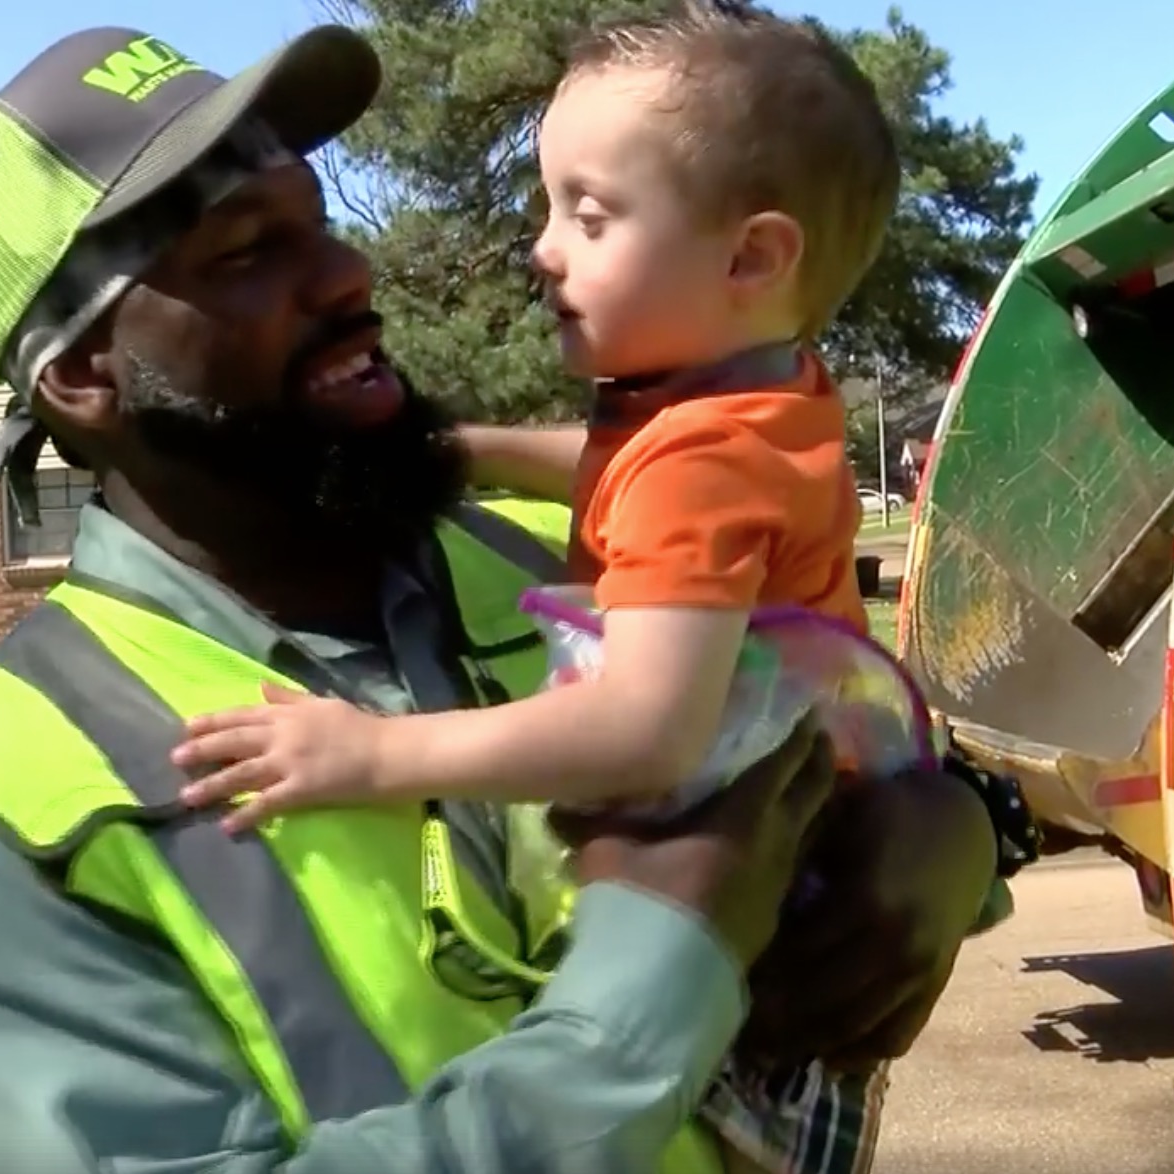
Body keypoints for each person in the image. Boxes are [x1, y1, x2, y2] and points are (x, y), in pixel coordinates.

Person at [0, 20, 1032, 1174]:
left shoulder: (564, 554)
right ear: (83, 375)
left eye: (318, 219)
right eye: (243, 250)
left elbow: (824, 686)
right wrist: (650, 980)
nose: (344, 271)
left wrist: (954, 833)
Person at [174, 0, 893, 831]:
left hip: (749, 857)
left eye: (588, 218)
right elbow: (620, 467)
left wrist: (376, 756)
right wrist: (469, 449)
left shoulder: (702, 466)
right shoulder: (763, 400)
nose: (543, 250)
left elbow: (644, 731)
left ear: (749, 257)